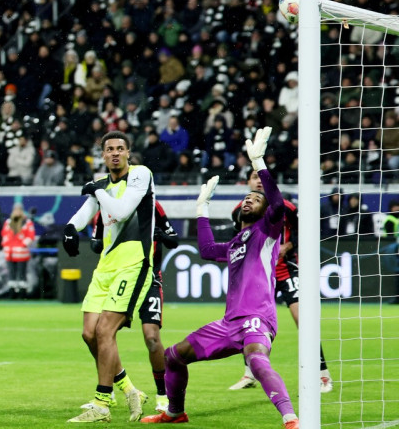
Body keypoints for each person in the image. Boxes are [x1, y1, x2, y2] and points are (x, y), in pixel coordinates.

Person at [141, 127, 300, 429]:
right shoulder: (235, 244)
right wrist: (202, 209)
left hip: (257, 318)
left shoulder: (267, 233)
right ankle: (175, 413)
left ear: (265, 210)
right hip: (228, 324)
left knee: (257, 360)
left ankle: (290, 419)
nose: (250, 200)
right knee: (174, 356)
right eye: (247, 197)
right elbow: (206, 250)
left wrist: (259, 164)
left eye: (257, 198)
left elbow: (279, 205)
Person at [61, 131, 154, 423]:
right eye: (109, 149)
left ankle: (102, 403)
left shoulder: (140, 175)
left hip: (134, 261)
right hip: (106, 265)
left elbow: (123, 212)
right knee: (89, 333)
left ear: (128, 152)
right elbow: (86, 211)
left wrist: (96, 190)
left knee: (104, 331)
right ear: (102, 155)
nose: (115, 153)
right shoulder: (101, 185)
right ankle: (129, 389)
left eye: (120, 148)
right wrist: (70, 228)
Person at [228, 167, 333, 393]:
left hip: (285, 270)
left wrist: (290, 244)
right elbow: (238, 240)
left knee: (302, 319)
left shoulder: (286, 207)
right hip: (258, 276)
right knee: (249, 323)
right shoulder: (240, 209)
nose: (258, 181)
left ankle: (322, 375)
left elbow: (305, 230)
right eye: (253, 177)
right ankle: (249, 374)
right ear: (247, 182)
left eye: (261, 177)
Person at [90, 199, 178, 413]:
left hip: (149, 278)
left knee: (152, 338)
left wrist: (160, 235)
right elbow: (95, 243)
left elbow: (173, 240)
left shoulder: (152, 205)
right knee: (99, 333)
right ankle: (112, 391)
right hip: (120, 278)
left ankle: (162, 394)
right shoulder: (106, 208)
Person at [0, 202, 35, 297]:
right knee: (11, 273)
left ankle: (22, 292)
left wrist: (22, 245)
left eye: (19, 210)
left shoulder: (27, 222)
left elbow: (30, 236)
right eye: (16, 210)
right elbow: (4, 235)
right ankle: (12, 291)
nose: (17, 212)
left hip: (21, 253)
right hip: (10, 253)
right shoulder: (8, 222)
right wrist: (6, 245)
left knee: (21, 273)